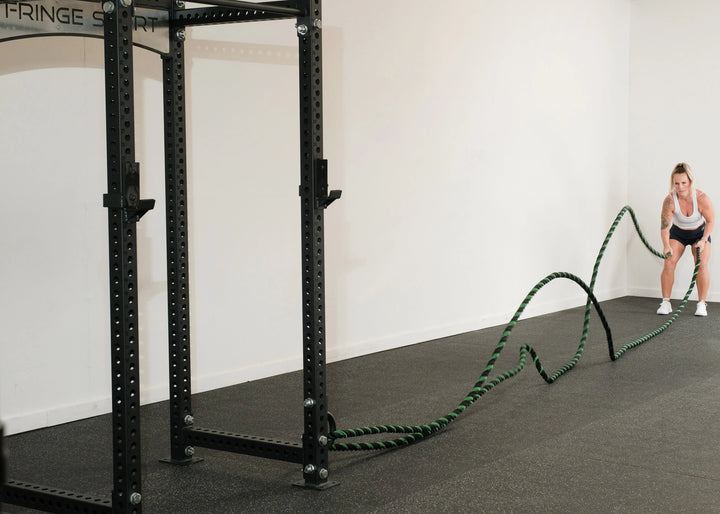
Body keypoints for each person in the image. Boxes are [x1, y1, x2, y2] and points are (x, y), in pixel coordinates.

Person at [657, 162, 714, 316]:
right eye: (676, 183)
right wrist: (666, 245)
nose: (680, 187)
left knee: (701, 265)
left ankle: (701, 304)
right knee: (669, 262)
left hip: (699, 234)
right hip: (678, 234)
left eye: (683, 183)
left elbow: (710, 221)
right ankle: (666, 302)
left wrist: (704, 239)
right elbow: (665, 227)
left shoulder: (701, 198)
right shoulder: (669, 200)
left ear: (690, 181)